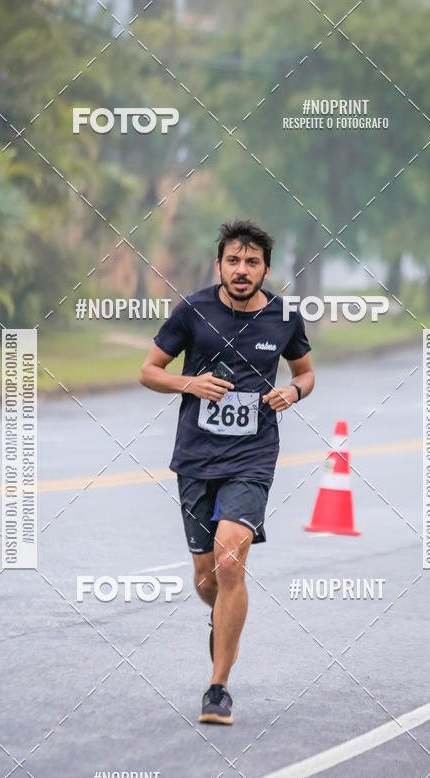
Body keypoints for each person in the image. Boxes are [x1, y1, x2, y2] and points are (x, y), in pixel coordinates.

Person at [139, 220, 314, 724]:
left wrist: (294, 392)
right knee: (206, 576)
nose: (242, 270)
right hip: (196, 457)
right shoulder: (193, 310)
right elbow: (149, 370)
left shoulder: (283, 316)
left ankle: (218, 688)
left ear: (265, 268)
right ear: (219, 265)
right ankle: (221, 619)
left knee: (231, 562)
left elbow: (305, 372)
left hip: (253, 457)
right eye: (233, 261)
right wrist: (189, 384)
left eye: (252, 262)